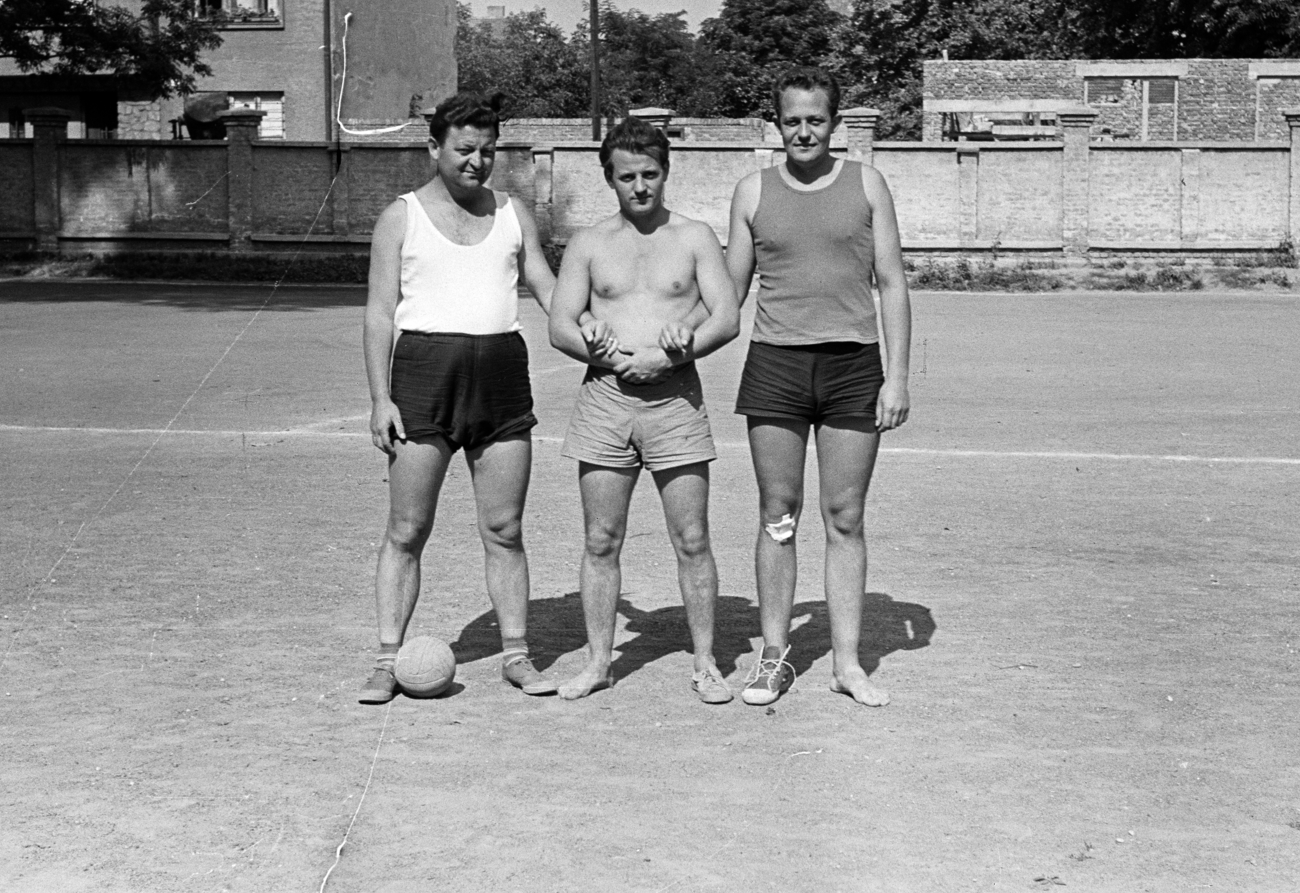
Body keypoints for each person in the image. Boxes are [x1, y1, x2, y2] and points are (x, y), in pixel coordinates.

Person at [358, 91, 559, 704]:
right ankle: (388, 658)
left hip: (500, 379)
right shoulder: (401, 216)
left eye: (488, 151)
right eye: (465, 149)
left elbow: (549, 287)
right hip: (422, 378)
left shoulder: (513, 212)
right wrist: (379, 399)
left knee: (504, 527)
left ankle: (517, 655)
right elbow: (377, 314)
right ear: (435, 147)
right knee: (407, 527)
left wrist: (599, 335)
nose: (477, 161)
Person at [724, 67, 911, 708]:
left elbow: (891, 283)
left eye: (816, 119)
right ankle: (773, 658)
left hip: (853, 367)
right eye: (792, 120)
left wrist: (897, 378)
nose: (803, 131)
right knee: (778, 514)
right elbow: (728, 293)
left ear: (835, 123)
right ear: (777, 124)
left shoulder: (868, 184)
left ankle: (848, 663)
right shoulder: (752, 192)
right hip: (776, 366)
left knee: (845, 516)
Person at [547, 117, 742, 702]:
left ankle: (706, 663)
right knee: (601, 538)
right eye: (627, 176)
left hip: (675, 400)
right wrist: (602, 354)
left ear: (666, 171)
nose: (640, 186)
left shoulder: (695, 236)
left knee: (691, 537)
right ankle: (599, 661)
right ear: (609, 178)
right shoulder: (588, 242)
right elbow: (560, 325)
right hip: (604, 401)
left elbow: (726, 317)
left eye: (650, 174)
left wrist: (668, 357)